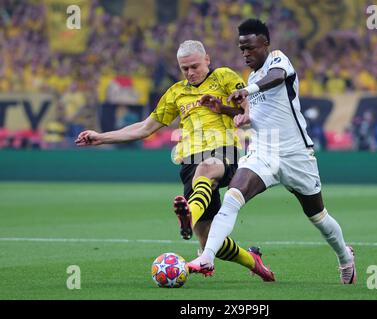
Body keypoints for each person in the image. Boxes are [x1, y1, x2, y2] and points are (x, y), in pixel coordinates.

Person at [75, 40, 274, 281]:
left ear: (207, 60)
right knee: (210, 239)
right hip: (190, 163)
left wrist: (246, 114)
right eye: (184, 69)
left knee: (208, 166)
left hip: (224, 152)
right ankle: (253, 261)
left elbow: (245, 99)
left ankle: (190, 212)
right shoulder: (176, 93)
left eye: (194, 66)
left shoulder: (223, 76)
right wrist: (101, 138)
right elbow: (145, 127)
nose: (190, 73)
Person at [188, 19, 356, 284]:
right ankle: (207, 256)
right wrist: (224, 110)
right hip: (263, 153)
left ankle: (345, 256)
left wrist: (247, 90)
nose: (245, 54)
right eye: (241, 49)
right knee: (233, 197)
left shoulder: (278, 62)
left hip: (296, 155)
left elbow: (275, 78)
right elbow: (255, 116)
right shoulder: (252, 78)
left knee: (319, 218)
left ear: (265, 44)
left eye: (250, 48)